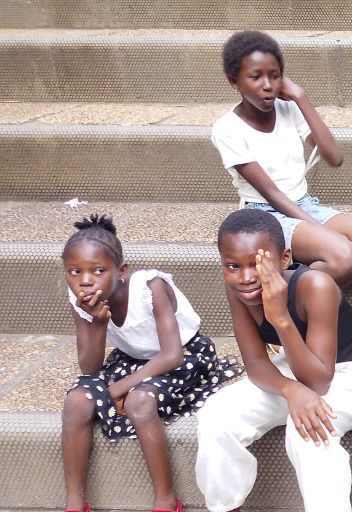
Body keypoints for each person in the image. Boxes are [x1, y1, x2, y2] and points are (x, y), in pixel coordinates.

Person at [196, 209, 352, 512]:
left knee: (308, 431)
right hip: (292, 371)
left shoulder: (316, 286)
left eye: (257, 264)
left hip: (349, 376)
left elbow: (319, 381)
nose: (246, 277)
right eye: (233, 266)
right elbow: (257, 365)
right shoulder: (239, 290)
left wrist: (280, 317)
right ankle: (227, 507)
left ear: (285, 258)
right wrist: (291, 390)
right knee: (215, 415)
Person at [61, 214, 241, 512]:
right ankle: (75, 502)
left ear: (121, 271)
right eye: (74, 271)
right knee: (76, 401)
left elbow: (172, 355)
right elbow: (89, 368)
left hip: (183, 356)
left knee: (139, 402)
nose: (85, 280)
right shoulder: (79, 299)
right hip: (132, 359)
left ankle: (166, 500)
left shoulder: (150, 288)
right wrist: (97, 324)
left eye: (98, 270)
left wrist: (121, 387)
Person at [211, 30, 352, 288]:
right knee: (345, 255)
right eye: (255, 77)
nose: (268, 85)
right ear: (233, 81)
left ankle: (313, 293)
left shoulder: (288, 108)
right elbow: (272, 193)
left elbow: (334, 157)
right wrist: (323, 232)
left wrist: (301, 98)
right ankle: (280, 292)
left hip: (304, 204)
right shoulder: (227, 129)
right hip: (266, 213)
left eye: (274, 75)